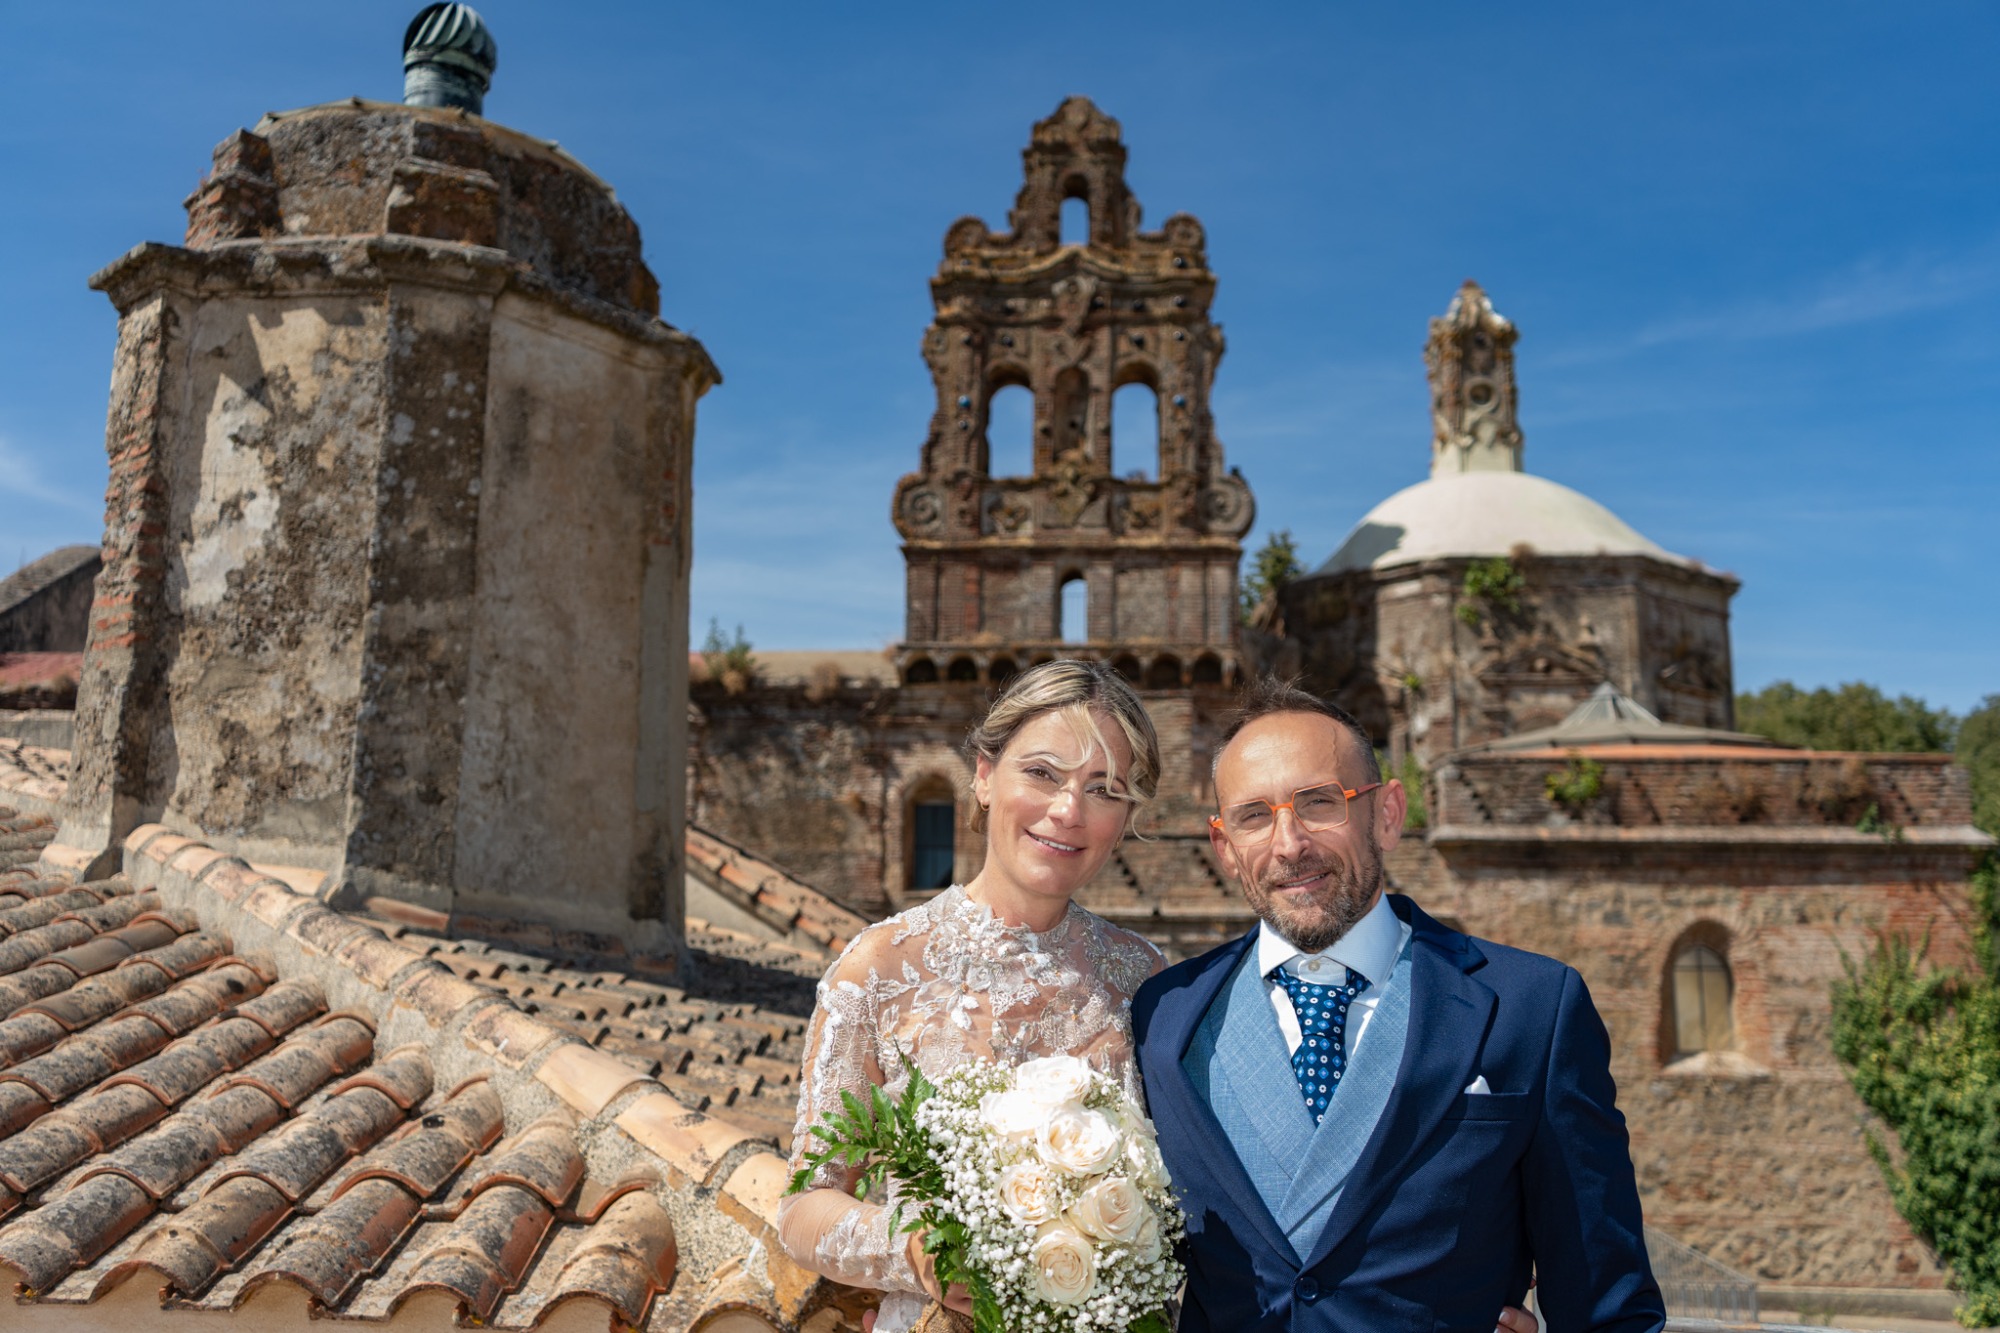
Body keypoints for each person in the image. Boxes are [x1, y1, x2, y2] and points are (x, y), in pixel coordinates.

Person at [1132, 677, 1666, 1333]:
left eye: (1319, 803)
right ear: (1225, 849)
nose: (1289, 843)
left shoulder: (1533, 1008)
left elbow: (1609, 1305)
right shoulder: (1163, 1018)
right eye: (1253, 816)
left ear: (1386, 813)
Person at [777, 659, 1167, 1333]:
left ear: (1126, 815)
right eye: (1042, 773)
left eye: (1104, 788)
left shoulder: (1148, 980)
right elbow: (805, 1207)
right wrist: (917, 1251)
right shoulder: (879, 968)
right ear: (985, 775)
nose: (1068, 810)